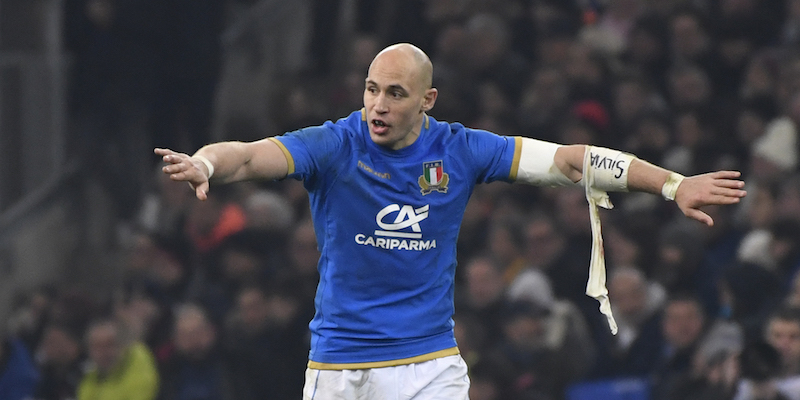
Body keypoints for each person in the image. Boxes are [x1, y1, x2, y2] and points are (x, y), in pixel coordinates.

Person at [155, 43, 747, 399]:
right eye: (369, 91)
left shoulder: (461, 150)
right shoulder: (335, 145)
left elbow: (571, 161)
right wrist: (208, 161)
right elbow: (254, 154)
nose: (377, 106)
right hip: (339, 365)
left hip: (427, 365)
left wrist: (671, 184)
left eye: (393, 93)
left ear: (427, 100)